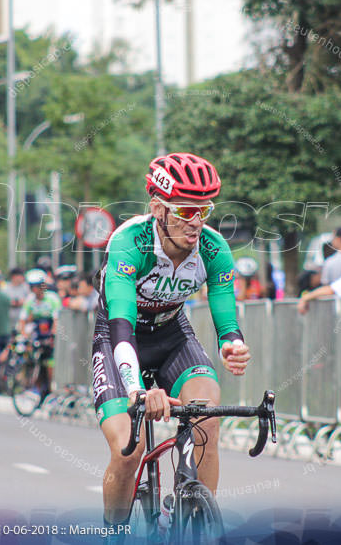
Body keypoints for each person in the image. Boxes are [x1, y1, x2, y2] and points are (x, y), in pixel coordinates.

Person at [93, 152, 250, 531]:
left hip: (173, 336)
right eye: (184, 211)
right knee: (128, 452)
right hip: (119, 339)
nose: (195, 222)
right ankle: (113, 534)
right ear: (157, 208)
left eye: (203, 211)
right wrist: (136, 390)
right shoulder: (131, 243)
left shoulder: (213, 249)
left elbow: (224, 306)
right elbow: (121, 324)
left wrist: (232, 342)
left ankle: (199, 525)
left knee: (207, 419)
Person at [18, 268, 62, 392]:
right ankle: (35, 387)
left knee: (49, 363)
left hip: (50, 333)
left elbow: (57, 321)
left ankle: (51, 388)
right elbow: (23, 320)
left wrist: (53, 336)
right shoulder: (30, 300)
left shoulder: (52, 298)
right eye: (31, 287)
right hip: (37, 333)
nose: (34, 290)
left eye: (36, 286)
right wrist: (23, 335)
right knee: (31, 358)